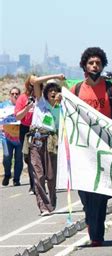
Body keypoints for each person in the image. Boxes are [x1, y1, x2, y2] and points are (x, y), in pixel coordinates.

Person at [72, 47, 112, 246]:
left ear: (102, 65)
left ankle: (97, 235)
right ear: (84, 66)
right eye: (91, 63)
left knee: (99, 193)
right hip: (82, 149)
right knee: (85, 193)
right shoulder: (76, 90)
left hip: (104, 148)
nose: (94, 66)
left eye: (98, 63)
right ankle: (91, 221)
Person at [27, 74, 65, 216]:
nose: (53, 93)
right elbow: (35, 81)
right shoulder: (40, 103)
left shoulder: (61, 108)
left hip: (51, 143)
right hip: (36, 142)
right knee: (39, 175)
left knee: (51, 176)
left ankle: (52, 201)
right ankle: (43, 206)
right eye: (50, 90)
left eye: (55, 90)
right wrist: (56, 76)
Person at [14, 75, 37, 194]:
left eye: (36, 84)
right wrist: (28, 107)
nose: (34, 87)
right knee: (28, 158)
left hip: (39, 129)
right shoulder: (23, 98)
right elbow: (18, 116)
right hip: (26, 129)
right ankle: (33, 184)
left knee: (38, 157)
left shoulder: (42, 97)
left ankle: (39, 183)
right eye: (32, 84)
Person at [1, 87, 23, 186]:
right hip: (6, 137)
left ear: (19, 94)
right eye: (13, 93)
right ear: (10, 95)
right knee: (7, 157)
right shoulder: (3, 105)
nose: (15, 95)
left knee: (18, 158)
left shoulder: (23, 105)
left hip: (20, 137)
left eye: (17, 93)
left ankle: (16, 179)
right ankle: (7, 174)